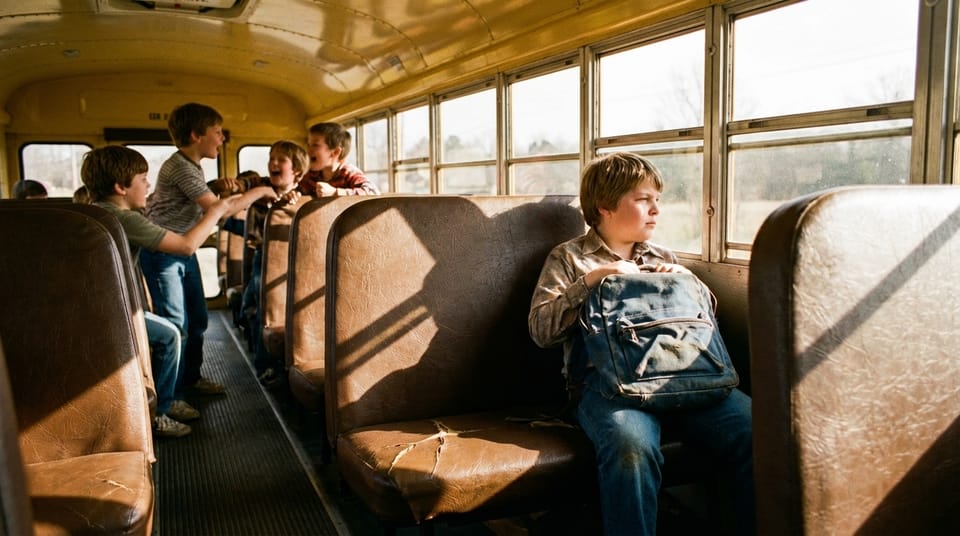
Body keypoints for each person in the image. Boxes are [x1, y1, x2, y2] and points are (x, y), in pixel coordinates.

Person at [528, 152, 754, 536]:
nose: (655, 210)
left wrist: (687, 279)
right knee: (631, 447)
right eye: (643, 199)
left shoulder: (662, 256)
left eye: (657, 200)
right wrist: (591, 282)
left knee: (756, 429)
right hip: (607, 387)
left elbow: (703, 323)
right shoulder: (568, 259)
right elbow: (541, 331)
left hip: (684, 377)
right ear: (605, 206)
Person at [80, 145, 262, 437]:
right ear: (120, 187)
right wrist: (214, 210)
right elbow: (186, 246)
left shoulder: (97, 210)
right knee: (170, 335)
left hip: (99, 305)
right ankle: (160, 412)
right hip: (108, 311)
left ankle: (174, 391)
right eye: (142, 179)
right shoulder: (124, 218)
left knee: (184, 326)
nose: (148, 185)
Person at [142, 102, 278, 397]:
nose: (222, 138)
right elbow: (222, 211)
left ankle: (190, 379)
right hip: (164, 256)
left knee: (199, 320)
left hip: (182, 253)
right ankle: (170, 397)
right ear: (196, 136)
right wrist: (262, 191)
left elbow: (195, 198)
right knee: (176, 327)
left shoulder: (191, 166)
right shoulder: (180, 166)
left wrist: (214, 184)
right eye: (217, 132)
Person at [239, 140, 309, 386]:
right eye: (271, 158)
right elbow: (255, 238)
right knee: (265, 308)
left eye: (281, 160)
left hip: (302, 260)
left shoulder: (308, 199)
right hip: (266, 257)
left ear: (297, 171)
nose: (274, 163)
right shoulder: (261, 197)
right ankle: (265, 365)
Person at [299, 122, 380, 197]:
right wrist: (294, 194)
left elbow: (373, 192)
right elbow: (298, 190)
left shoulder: (348, 173)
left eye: (315, 145)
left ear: (335, 152)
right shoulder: (310, 175)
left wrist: (335, 192)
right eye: (308, 144)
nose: (308, 149)